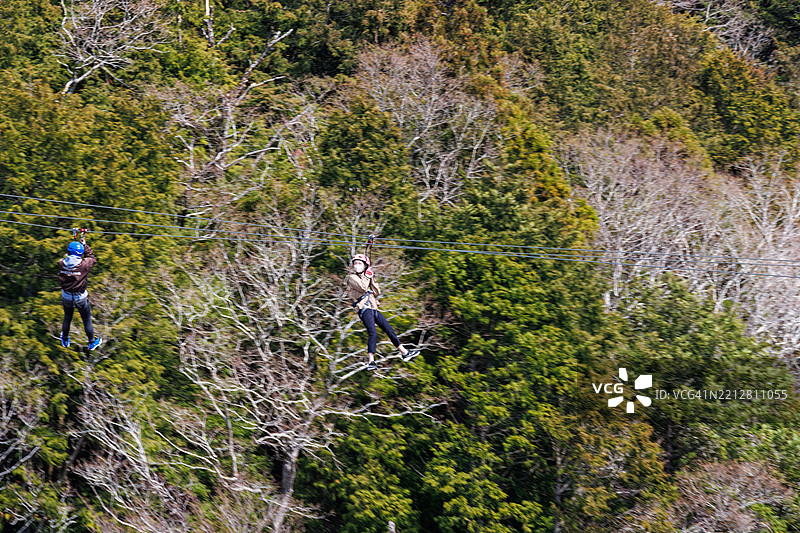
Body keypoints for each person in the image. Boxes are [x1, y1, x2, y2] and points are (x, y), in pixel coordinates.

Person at [346, 253, 420, 370]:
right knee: (373, 333)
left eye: (359, 263)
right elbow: (363, 288)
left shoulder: (367, 277)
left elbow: (377, 292)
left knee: (389, 329)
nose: (357, 265)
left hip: (373, 307)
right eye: (355, 263)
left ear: (365, 266)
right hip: (364, 308)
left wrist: (371, 277)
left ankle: (404, 352)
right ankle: (371, 361)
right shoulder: (352, 277)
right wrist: (367, 277)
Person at [58, 237, 102, 351]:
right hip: (80, 297)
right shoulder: (84, 265)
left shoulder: (61, 263)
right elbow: (91, 258)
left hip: (66, 296)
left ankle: (65, 339)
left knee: (67, 317)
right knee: (86, 319)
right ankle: (91, 341)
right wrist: (85, 245)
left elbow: (68, 259)